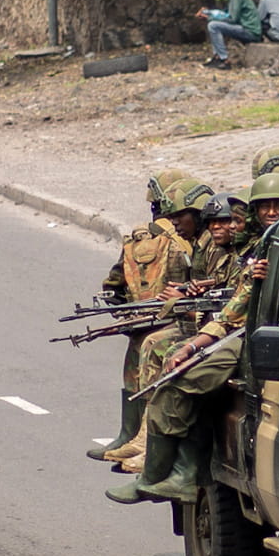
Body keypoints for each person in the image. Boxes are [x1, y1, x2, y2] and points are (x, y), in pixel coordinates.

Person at [108, 173, 279, 504]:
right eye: (264, 207)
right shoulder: (260, 248)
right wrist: (196, 344)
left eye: (278, 206)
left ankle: (165, 475)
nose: (271, 212)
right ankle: (161, 475)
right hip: (248, 330)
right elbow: (236, 307)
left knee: (182, 383)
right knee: (176, 374)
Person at [113, 195, 252, 474]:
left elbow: (231, 311)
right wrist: (192, 291)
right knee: (150, 343)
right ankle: (144, 438)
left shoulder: (246, 255)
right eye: (213, 223)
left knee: (175, 362)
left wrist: (187, 309)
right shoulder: (215, 249)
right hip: (215, 327)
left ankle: (170, 462)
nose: (220, 228)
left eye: (229, 222)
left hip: (230, 335)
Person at [87, 174, 207, 463]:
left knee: (149, 352)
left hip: (181, 321)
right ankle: (132, 434)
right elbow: (117, 282)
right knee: (137, 357)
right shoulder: (183, 238)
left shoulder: (194, 240)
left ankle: (144, 439)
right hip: (161, 317)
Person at [197, 0, 261, 69]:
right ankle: (217, 56)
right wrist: (208, 12)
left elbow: (232, 18)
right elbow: (225, 14)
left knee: (213, 25)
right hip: (245, 27)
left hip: (250, 30)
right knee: (213, 23)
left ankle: (224, 59)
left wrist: (209, 18)